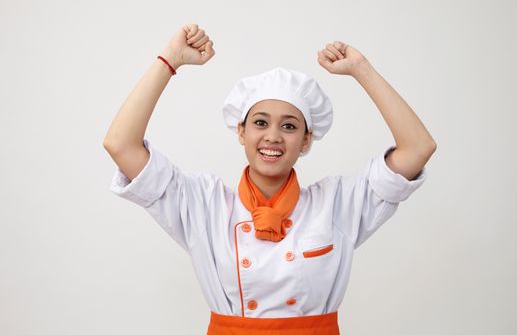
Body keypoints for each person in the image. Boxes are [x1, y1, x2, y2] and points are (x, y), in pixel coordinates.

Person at [103, 23, 436, 335]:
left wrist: (362, 69)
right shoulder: (203, 204)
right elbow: (121, 144)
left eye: (289, 126)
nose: (273, 136)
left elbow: (418, 148)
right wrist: (169, 61)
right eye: (260, 123)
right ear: (241, 131)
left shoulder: (336, 205)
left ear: (306, 139)